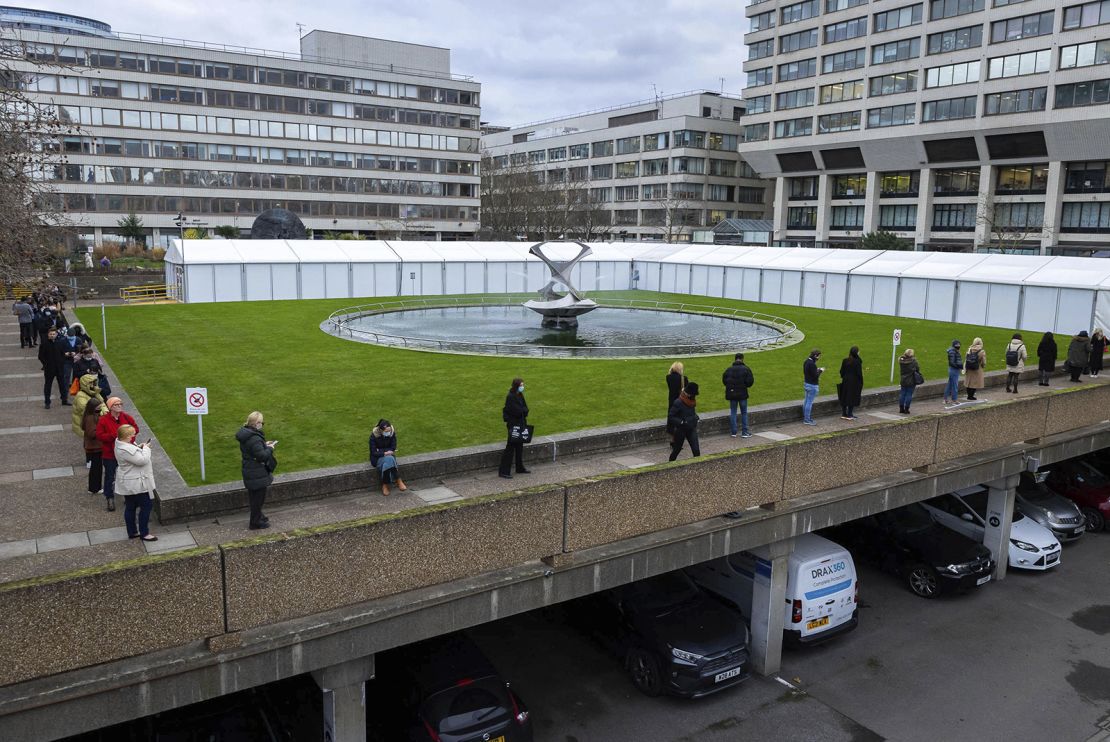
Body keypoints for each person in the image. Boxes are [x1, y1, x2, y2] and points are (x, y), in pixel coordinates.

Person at [114, 424, 157, 542]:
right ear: (127, 436)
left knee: (131, 507)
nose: (134, 436)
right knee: (146, 506)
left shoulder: (121, 444)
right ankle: (144, 533)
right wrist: (146, 448)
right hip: (136, 483)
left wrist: (140, 447)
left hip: (130, 482)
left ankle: (132, 532)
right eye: (132, 434)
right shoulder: (124, 449)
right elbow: (142, 460)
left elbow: (134, 453)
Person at [96, 397, 137, 512]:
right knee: (110, 476)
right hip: (110, 454)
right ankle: (109, 498)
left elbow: (136, 429)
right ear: (110, 407)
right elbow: (99, 436)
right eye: (116, 404)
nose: (119, 406)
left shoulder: (126, 417)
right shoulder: (103, 420)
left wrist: (129, 438)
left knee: (127, 475)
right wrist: (114, 436)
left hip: (126, 453)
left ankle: (128, 497)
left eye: (120, 404)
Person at [237, 411, 277, 529]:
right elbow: (262, 456)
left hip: (250, 470)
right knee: (258, 498)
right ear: (257, 423)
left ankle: (259, 516)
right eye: (261, 423)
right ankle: (255, 522)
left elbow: (254, 450)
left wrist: (264, 444)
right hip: (256, 472)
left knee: (254, 497)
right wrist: (270, 448)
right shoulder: (254, 438)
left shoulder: (246, 434)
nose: (262, 425)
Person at [498, 378, 530, 479]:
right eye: (521, 385)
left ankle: (519, 467)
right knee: (510, 447)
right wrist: (523, 411)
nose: (522, 387)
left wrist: (523, 411)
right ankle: (504, 471)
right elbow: (518, 411)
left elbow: (525, 409)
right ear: (516, 386)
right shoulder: (511, 397)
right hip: (514, 425)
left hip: (520, 423)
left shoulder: (519, 395)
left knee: (519, 446)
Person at [369, 419, 407, 495]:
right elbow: (374, 452)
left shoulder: (392, 433)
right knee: (390, 459)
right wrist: (385, 452)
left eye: (389, 430)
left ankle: (385, 485)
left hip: (388, 456)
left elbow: (393, 447)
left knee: (388, 461)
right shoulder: (373, 436)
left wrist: (380, 450)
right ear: (381, 430)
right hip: (377, 459)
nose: (388, 433)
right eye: (386, 431)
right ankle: (398, 480)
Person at [722, 353, 755, 437]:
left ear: (735, 359)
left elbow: (724, 381)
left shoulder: (729, 369)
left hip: (732, 394)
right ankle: (745, 432)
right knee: (744, 412)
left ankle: (733, 432)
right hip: (742, 393)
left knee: (733, 412)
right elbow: (750, 382)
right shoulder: (746, 369)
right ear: (742, 359)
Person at [668, 382, 701, 461]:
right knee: (677, 449)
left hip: (691, 428)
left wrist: (695, 417)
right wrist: (681, 422)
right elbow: (671, 416)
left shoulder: (691, 400)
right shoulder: (678, 402)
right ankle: (670, 464)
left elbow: (691, 412)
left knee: (696, 450)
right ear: (689, 394)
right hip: (681, 430)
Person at [38, 327, 68, 409]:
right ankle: (47, 402)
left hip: (59, 368)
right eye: (51, 334)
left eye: (53, 334)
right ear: (48, 334)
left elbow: (63, 354)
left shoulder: (60, 343)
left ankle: (64, 399)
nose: (52, 335)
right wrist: (46, 364)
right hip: (49, 369)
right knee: (48, 385)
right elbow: (40, 356)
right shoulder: (44, 344)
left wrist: (61, 362)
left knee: (62, 384)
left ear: (56, 334)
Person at [82, 393, 105, 496]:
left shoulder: (90, 416)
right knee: (96, 468)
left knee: (96, 468)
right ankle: (95, 488)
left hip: (95, 447)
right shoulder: (91, 418)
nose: (100, 409)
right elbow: (92, 433)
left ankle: (94, 487)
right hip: (95, 447)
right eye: (98, 408)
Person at [71, 373, 105, 438]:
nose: (93, 385)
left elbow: (102, 403)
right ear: (85, 384)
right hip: (85, 422)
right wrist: (102, 414)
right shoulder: (80, 396)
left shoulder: (94, 393)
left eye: (94, 383)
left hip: (93, 420)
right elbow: (86, 409)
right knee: (89, 439)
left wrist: (106, 412)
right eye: (90, 383)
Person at [838, 346, 863, 420]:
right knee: (852, 396)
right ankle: (850, 413)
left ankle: (844, 413)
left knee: (845, 396)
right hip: (854, 381)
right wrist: (861, 381)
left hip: (846, 380)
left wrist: (844, 377)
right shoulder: (857, 362)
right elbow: (859, 373)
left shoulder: (845, 360)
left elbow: (841, 371)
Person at [665, 362, 687, 439]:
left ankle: (672, 438)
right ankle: (679, 438)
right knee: (679, 418)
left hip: (671, 400)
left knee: (671, 418)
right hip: (680, 401)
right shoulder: (683, 379)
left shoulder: (668, 377)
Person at [802, 349, 823, 425]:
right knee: (809, 403)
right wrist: (820, 371)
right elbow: (815, 376)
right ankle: (807, 420)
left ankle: (805, 418)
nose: (819, 358)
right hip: (812, 385)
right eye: (818, 356)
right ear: (815, 356)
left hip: (806, 384)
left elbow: (808, 372)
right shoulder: (812, 364)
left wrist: (816, 370)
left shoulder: (806, 361)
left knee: (806, 401)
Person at [898, 348, 921, 414]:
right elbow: (917, 369)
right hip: (911, 380)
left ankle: (901, 408)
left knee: (902, 394)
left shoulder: (901, 361)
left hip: (903, 379)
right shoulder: (913, 361)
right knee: (909, 394)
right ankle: (906, 409)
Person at [944, 340, 963, 406]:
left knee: (950, 384)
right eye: (957, 345)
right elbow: (952, 363)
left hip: (954, 369)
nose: (958, 346)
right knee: (955, 385)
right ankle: (954, 399)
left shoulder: (953, 351)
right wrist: (959, 366)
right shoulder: (952, 352)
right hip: (954, 370)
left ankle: (945, 399)